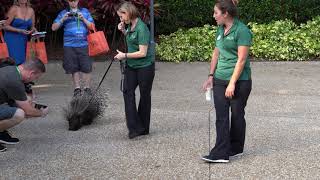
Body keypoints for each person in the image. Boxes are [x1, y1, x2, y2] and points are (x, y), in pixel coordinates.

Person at [201, 0, 252, 163]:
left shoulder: (242, 30)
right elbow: (216, 53)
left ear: (226, 14)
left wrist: (232, 83)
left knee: (237, 115)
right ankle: (221, 152)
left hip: (239, 81)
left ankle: (236, 148)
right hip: (219, 78)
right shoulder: (220, 29)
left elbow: (242, 59)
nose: (213, 16)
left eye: (216, 13)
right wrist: (210, 76)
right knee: (221, 116)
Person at [114, 2, 155, 139]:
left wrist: (124, 55)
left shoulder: (142, 28)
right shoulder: (130, 26)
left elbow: (142, 52)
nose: (121, 19)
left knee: (145, 96)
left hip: (145, 67)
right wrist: (123, 31)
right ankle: (134, 127)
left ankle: (143, 128)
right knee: (127, 92)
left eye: (121, 16)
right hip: (131, 66)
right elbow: (132, 40)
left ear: (129, 13)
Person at [0, 58, 48, 152]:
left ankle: (1, 132)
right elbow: (28, 111)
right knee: (19, 114)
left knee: (25, 103)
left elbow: (20, 100)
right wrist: (42, 113)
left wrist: (30, 102)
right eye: (36, 77)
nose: (35, 80)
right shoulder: (14, 81)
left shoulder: (11, 69)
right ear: (31, 73)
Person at [51, 0, 95, 97]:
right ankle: (77, 88)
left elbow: (92, 27)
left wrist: (83, 19)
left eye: (74, 0)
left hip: (84, 43)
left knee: (86, 67)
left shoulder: (85, 11)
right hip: (69, 45)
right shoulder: (63, 13)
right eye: (71, 0)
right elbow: (53, 28)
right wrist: (63, 19)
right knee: (73, 67)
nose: (73, 2)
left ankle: (87, 88)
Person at [4, 0, 37, 65]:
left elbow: (32, 27)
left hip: (23, 39)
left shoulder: (31, 10)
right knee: (14, 62)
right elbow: (5, 26)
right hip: (12, 39)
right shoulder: (14, 9)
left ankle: (19, 75)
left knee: (22, 62)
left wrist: (33, 31)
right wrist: (19, 30)